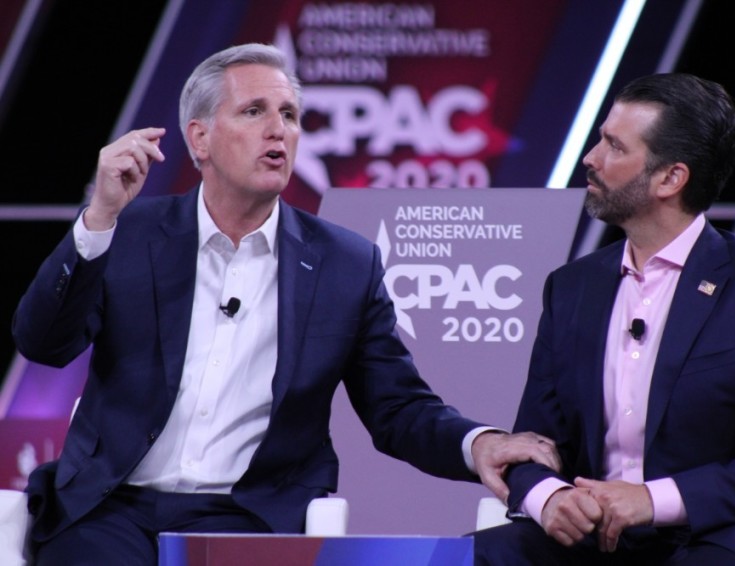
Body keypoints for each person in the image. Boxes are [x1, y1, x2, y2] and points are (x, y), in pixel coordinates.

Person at [11, 43, 559, 565]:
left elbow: (397, 409)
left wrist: (478, 444)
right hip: (111, 509)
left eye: (291, 115)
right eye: (254, 111)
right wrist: (98, 220)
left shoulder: (345, 264)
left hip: (245, 515)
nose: (278, 130)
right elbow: (44, 343)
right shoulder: (127, 233)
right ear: (199, 139)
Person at [473, 73, 735, 565]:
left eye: (614, 146)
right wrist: (550, 498)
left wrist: (653, 499)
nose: (591, 158)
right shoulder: (572, 288)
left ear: (671, 178)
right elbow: (533, 443)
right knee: (485, 555)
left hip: (708, 537)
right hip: (592, 539)